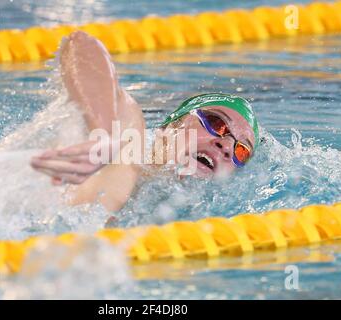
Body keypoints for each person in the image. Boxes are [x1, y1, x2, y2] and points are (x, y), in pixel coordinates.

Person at [30, 31, 259, 212]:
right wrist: (103, 134)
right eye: (216, 123)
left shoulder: (180, 216)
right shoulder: (127, 143)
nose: (227, 146)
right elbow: (80, 45)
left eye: (242, 151)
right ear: (171, 125)